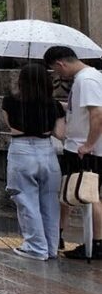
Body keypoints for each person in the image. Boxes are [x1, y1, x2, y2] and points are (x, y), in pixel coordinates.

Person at [1, 62, 66, 261]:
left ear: (21, 81)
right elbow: (61, 134)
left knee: (26, 200)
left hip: (21, 151)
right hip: (47, 151)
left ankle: (36, 247)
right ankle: (51, 247)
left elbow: (9, 125)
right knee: (50, 202)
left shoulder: (10, 101)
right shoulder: (54, 105)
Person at [43, 46, 102, 259]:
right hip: (77, 146)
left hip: (84, 150)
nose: (58, 76)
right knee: (68, 192)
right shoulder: (85, 79)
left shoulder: (87, 80)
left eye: (56, 70)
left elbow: (97, 115)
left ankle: (96, 243)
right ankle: (59, 233)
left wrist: (88, 144)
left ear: (60, 64)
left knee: (89, 195)